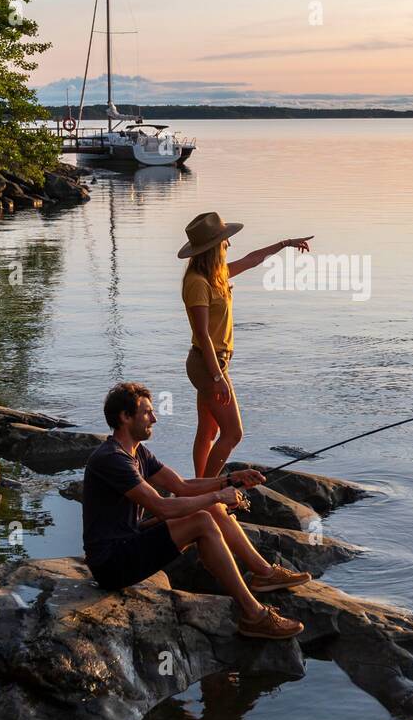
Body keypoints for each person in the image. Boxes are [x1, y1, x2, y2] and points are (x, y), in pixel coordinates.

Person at [82, 381, 310, 640]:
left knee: (210, 507)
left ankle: (265, 574)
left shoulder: (137, 452)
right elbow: (162, 507)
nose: (154, 418)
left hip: (128, 540)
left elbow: (181, 485)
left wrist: (230, 479)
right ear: (125, 417)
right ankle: (254, 615)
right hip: (112, 563)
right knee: (202, 520)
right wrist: (217, 494)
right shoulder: (112, 459)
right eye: (147, 412)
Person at [179, 211, 313, 477]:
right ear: (213, 247)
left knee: (208, 431)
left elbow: (252, 260)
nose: (229, 244)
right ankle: (206, 488)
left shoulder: (216, 275)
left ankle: (197, 488)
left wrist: (285, 243)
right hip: (208, 364)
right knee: (233, 433)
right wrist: (217, 376)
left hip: (213, 362)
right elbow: (202, 334)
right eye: (225, 240)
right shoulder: (197, 283)